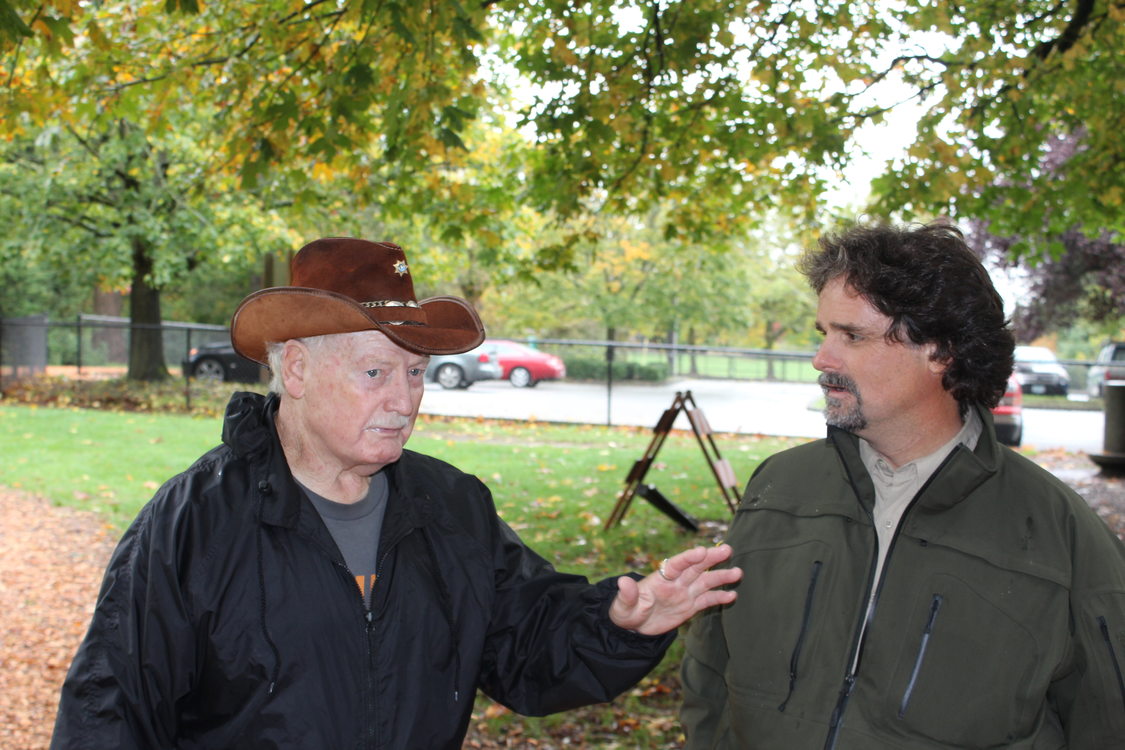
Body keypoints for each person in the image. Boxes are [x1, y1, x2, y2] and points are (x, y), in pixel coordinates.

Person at [51, 237, 743, 750]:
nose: (403, 400)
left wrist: (622, 625)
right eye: (376, 371)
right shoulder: (195, 521)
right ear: (295, 367)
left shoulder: (450, 509)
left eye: (415, 374)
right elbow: (110, 712)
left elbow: (526, 648)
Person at [680, 222, 1125, 749]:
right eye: (823, 333)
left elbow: (1106, 723)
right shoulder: (778, 487)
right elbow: (709, 667)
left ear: (940, 351)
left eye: (853, 336)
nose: (822, 358)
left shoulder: (1060, 535)